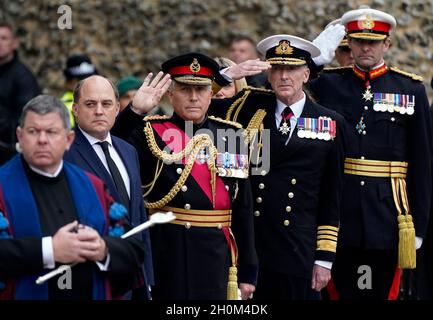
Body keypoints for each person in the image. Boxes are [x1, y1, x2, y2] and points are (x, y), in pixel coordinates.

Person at [209, 35, 346, 299]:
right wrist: (227, 76)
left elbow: (333, 195)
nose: (284, 76)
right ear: (269, 75)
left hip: (298, 247)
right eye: (278, 69)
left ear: (307, 74)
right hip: (251, 246)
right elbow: (199, 107)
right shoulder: (246, 106)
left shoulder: (329, 122)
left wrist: (325, 258)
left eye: (292, 69)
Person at [112, 52, 258, 300]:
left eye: (200, 89)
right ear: (170, 94)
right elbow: (112, 147)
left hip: (217, 255)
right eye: (184, 89)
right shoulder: (150, 132)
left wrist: (248, 271)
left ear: (210, 94)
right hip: (169, 252)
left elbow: (243, 208)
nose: (193, 97)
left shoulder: (231, 135)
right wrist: (135, 111)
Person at [308, 7, 432, 299]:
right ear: (348, 43)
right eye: (359, 40)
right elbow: (284, 86)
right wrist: (314, 60)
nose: (366, 47)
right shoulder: (328, 83)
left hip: (388, 215)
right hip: (339, 211)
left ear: (386, 44)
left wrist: (419, 226)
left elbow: (423, 162)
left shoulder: (409, 89)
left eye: (373, 41)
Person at [0, 95, 144, 300]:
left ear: (68, 139)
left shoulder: (93, 186)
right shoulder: (1, 187)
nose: (42, 140)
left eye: (51, 132)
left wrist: (102, 249)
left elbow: (134, 249)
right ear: (20, 136)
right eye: (33, 132)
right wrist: (49, 250)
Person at [63, 75, 153, 299]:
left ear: (117, 108)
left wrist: (148, 276)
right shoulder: (65, 155)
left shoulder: (127, 150)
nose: (99, 111)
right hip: (93, 277)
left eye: (106, 104)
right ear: (75, 109)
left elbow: (139, 216)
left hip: (135, 276)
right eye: (90, 104)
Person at [0, 22, 40, 165]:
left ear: (14, 43)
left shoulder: (24, 78)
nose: (0, 42)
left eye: (4, 38)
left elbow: (26, 119)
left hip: (9, 154)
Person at [61, 54, 98, 128]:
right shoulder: (62, 107)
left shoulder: (104, 101)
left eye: (91, 79)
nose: (87, 84)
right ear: (69, 83)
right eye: (80, 81)